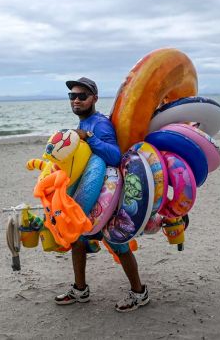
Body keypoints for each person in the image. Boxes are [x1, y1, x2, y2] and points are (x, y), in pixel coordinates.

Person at [54, 77, 150, 313]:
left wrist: (91, 138)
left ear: (94, 98)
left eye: (82, 96)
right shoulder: (84, 123)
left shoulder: (100, 124)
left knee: (118, 244)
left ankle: (139, 293)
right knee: (78, 240)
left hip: (107, 195)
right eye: (72, 96)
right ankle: (80, 289)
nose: (76, 100)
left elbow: (115, 156)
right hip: (89, 193)